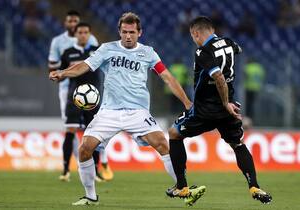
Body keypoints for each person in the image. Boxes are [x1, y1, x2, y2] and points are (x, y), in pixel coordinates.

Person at [49, 12, 206, 206]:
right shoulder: (107, 49)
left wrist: (187, 102)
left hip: (138, 112)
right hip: (109, 112)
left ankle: (183, 189)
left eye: (132, 32)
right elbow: (85, 66)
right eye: (124, 32)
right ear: (119, 32)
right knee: (84, 149)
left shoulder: (148, 52)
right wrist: (63, 73)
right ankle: (90, 196)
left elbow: (167, 77)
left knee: (163, 144)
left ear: (140, 32)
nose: (128, 36)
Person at [166, 16, 272, 205]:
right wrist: (228, 103)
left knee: (174, 134)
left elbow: (219, 77)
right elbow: (238, 50)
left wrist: (224, 102)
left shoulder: (202, 51)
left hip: (206, 109)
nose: (193, 39)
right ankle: (254, 186)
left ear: (196, 33)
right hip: (228, 109)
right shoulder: (229, 42)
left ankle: (181, 187)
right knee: (238, 144)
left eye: (193, 36)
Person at [48, 10, 113, 182]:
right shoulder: (68, 52)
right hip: (73, 96)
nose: (83, 35)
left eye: (86, 32)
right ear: (75, 34)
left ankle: (97, 170)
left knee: (95, 134)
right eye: (80, 32)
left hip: (94, 97)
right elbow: (61, 72)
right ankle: (65, 171)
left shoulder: (97, 51)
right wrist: (57, 75)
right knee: (70, 131)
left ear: (89, 34)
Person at [244, 57, 265, 121]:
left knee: (248, 104)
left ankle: (248, 118)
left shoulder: (247, 67)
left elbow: (245, 76)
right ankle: (255, 118)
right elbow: (262, 77)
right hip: (257, 88)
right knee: (255, 104)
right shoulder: (259, 68)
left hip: (249, 87)